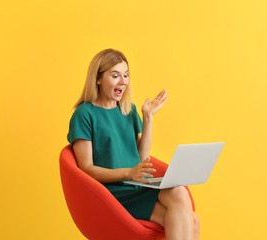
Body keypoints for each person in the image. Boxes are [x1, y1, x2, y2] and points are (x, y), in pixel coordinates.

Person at [67, 48, 200, 240]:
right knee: (189, 219)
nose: (123, 81)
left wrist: (148, 119)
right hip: (111, 193)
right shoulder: (84, 114)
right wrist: (128, 173)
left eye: (126, 75)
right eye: (115, 76)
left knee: (187, 208)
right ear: (98, 78)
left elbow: (141, 157)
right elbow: (86, 169)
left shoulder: (127, 111)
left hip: (136, 185)